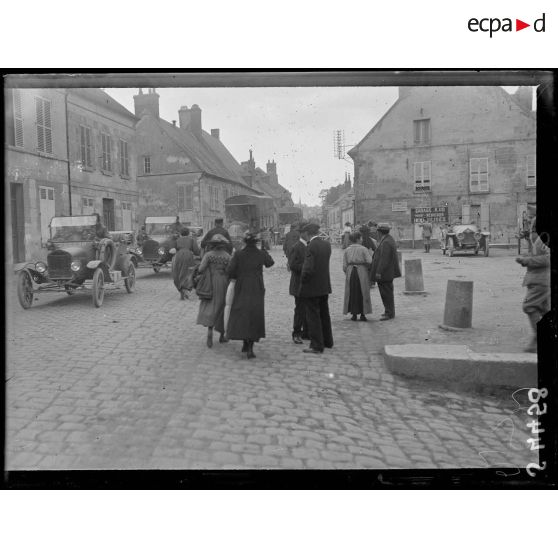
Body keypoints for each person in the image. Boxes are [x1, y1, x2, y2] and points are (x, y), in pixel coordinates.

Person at [226, 231, 274, 358]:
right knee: (254, 314)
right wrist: (264, 250)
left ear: (244, 242)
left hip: (242, 286)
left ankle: (245, 343)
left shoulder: (238, 254)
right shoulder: (260, 253)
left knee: (242, 312)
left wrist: (236, 276)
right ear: (256, 242)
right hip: (257, 287)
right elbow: (270, 263)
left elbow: (230, 271)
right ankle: (250, 348)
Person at [298, 222, 333, 354]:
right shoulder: (326, 244)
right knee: (324, 313)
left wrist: (303, 282)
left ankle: (317, 345)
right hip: (324, 285)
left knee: (313, 316)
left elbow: (308, 269)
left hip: (312, 287)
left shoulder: (310, 246)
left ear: (307, 234)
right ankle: (327, 341)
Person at [515, 218, 550, 353]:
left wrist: (527, 260)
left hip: (541, 281)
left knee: (529, 306)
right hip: (539, 280)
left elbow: (548, 258)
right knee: (544, 309)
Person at [196, 233, 231, 348]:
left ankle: (210, 332)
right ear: (223, 245)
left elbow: (201, 269)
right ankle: (221, 335)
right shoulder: (227, 256)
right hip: (223, 283)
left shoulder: (208, 255)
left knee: (211, 306)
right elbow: (230, 271)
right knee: (222, 306)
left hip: (210, 283)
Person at [370, 223, 401, 321]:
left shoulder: (386, 242)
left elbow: (384, 259)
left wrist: (379, 272)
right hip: (386, 273)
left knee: (386, 293)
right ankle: (388, 311)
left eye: (377, 231)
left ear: (380, 232)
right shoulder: (387, 239)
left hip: (385, 273)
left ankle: (389, 313)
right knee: (386, 293)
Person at [343, 232, 373, 321]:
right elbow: (369, 261)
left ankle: (354, 314)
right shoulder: (363, 249)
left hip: (350, 271)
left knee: (352, 292)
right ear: (357, 239)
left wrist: (348, 271)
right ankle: (363, 314)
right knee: (362, 292)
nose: (362, 240)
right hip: (362, 271)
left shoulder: (347, 250)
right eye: (361, 238)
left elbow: (344, 266)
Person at [288, 220, 309, 344]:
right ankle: (296, 333)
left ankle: (306, 332)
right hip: (298, 283)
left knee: (307, 308)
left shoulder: (308, 245)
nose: (308, 235)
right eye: (307, 233)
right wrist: (307, 267)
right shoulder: (296, 247)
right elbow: (292, 265)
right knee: (300, 309)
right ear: (303, 234)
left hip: (307, 283)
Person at [172, 227, 200, 300]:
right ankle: (186, 289)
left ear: (181, 233)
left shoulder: (177, 240)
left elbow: (174, 249)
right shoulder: (191, 240)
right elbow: (196, 251)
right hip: (188, 255)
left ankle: (181, 291)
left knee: (179, 272)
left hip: (178, 256)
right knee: (188, 273)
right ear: (188, 233)